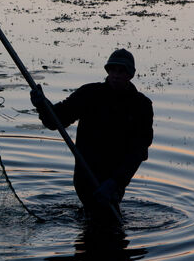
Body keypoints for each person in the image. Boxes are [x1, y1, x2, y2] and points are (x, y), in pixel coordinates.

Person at [30, 48, 153, 219]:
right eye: (112, 70)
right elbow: (56, 120)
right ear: (107, 71)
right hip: (86, 173)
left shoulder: (142, 106)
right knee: (98, 220)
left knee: (105, 220)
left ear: (130, 75)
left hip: (115, 177)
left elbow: (139, 151)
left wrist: (116, 182)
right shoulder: (89, 94)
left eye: (121, 71)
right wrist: (42, 105)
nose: (116, 75)